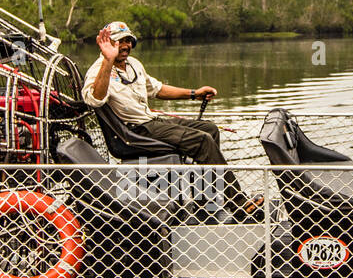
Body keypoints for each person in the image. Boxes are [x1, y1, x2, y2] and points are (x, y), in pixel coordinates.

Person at [82, 21, 262, 218]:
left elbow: (157, 89)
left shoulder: (134, 65)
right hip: (134, 130)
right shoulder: (98, 69)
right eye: (118, 42)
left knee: (210, 129)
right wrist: (108, 61)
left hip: (152, 120)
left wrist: (194, 94)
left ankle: (204, 204)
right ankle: (238, 202)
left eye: (128, 41)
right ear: (107, 44)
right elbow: (95, 100)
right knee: (201, 141)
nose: (125, 46)